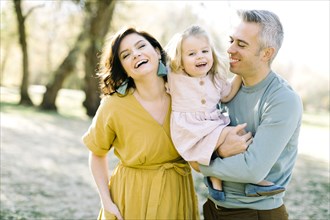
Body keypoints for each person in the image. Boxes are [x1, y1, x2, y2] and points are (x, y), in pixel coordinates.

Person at [82, 27, 199, 220]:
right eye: (126, 55)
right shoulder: (114, 105)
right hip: (130, 198)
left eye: (141, 46)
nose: (136, 54)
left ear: (156, 51)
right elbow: (96, 153)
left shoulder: (184, 93)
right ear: (123, 68)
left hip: (177, 193)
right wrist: (106, 201)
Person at [196, 10, 303, 220]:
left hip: (256, 213)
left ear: (266, 53)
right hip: (213, 208)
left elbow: (252, 170)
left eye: (241, 44)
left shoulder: (282, 99)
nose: (230, 49)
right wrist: (217, 151)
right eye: (231, 40)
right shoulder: (222, 91)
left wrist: (198, 162)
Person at [165, 25, 285, 202]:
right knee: (236, 134)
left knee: (234, 139)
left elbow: (227, 95)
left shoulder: (215, 79)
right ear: (180, 60)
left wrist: (239, 74)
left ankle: (217, 185)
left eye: (204, 51)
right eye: (191, 54)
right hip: (189, 129)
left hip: (211, 126)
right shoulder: (174, 76)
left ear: (212, 53)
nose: (200, 56)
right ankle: (253, 181)